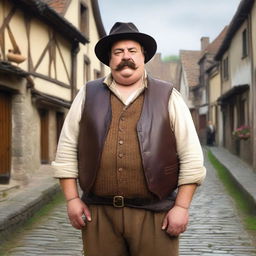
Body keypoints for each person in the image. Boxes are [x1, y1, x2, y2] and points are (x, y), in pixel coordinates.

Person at [52, 22, 206, 256]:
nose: (126, 57)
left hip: (156, 215)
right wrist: (72, 199)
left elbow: (192, 157)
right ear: (109, 59)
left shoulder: (168, 95)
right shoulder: (87, 94)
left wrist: (182, 207)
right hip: (99, 215)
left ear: (143, 56)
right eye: (118, 52)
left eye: (132, 51)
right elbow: (67, 150)